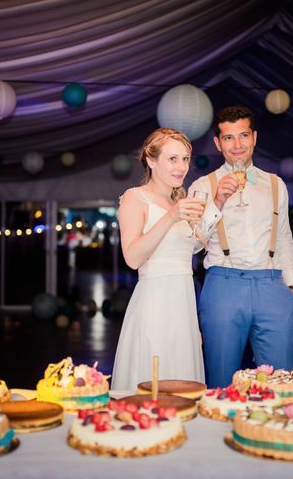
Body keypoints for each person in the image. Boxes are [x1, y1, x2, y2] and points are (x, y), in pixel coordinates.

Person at [189, 105, 293, 388]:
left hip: (272, 285)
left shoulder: (276, 185)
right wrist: (216, 202)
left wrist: (291, 286)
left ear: (254, 138)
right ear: (217, 143)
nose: (237, 145)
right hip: (224, 285)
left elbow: (284, 236)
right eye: (228, 138)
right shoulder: (202, 185)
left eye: (243, 135)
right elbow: (192, 244)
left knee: (281, 382)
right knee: (222, 381)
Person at [111, 128, 206, 391]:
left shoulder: (182, 201)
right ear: (151, 161)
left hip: (184, 306)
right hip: (155, 305)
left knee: (184, 387)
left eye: (185, 159)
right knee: (152, 386)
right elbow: (132, 257)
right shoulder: (135, 198)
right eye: (172, 159)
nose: (181, 167)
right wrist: (171, 217)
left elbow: (186, 252)